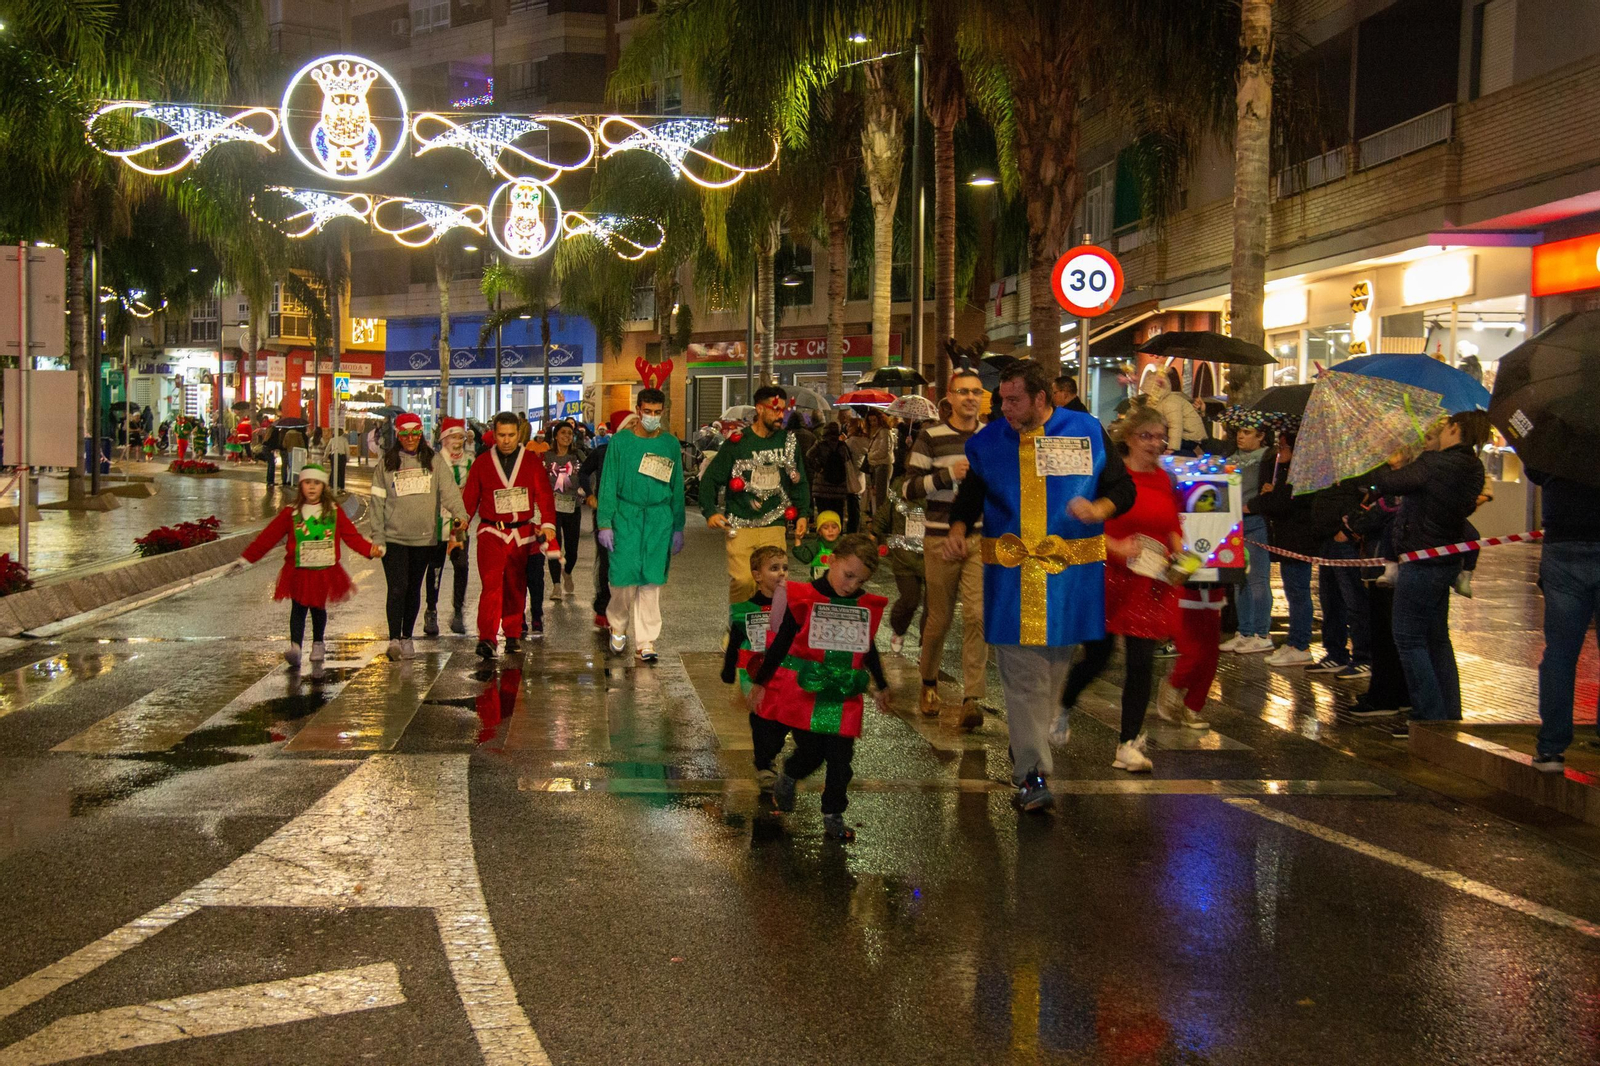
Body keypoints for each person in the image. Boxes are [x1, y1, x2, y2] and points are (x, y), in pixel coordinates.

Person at [944, 362, 1135, 811]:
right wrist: (957, 526)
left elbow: (1122, 489)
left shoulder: (1086, 430)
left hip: (1071, 583)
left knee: (1051, 678)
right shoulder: (989, 442)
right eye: (1002, 400)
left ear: (1042, 399)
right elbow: (973, 492)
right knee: (1025, 678)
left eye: (1013, 400)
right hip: (1012, 581)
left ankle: (1026, 746)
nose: (1003, 408)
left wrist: (1100, 508)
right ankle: (1031, 775)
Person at [1056, 405, 1200, 775]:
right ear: (1129, 438)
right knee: (1098, 658)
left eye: (1160, 436)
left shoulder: (1166, 480)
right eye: (1146, 436)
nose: (1154, 443)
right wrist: (1115, 547)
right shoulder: (1112, 477)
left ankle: (1128, 743)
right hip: (1108, 577)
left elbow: (1170, 523)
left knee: (1141, 663)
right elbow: (1085, 524)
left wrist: (1179, 551)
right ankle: (1063, 705)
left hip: (1150, 582)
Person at [747, 533, 891, 841]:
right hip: (806, 692)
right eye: (848, 575)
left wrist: (882, 684)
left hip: (844, 695)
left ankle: (833, 813)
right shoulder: (804, 597)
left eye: (860, 581)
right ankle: (790, 774)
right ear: (831, 560)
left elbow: (867, 647)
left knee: (841, 758)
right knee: (811, 753)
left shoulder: (861, 603)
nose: (851, 585)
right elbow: (783, 641)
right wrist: (761, 683)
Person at [1369, 410, 1490, 722]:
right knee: (1437, 639)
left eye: (1446, 427)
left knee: (1408, 639)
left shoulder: (1434, 464)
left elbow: (1388, 483)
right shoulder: (1473, 467)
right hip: (1448, 559)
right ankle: (1449, 714)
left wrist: (1380, 458)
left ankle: (1429, 716)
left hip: (1420, 560)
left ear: (1454, 429)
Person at [235, 463, 382, 669]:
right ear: (300, 486)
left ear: (324, 487)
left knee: (318, 607)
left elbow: (351, 537)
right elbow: (269, 537)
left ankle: (318, 642)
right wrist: (247, 558)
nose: (312, 488)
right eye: (307, 483)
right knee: (298, 608)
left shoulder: (333, 512)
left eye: (316, 483)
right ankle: (295, 647)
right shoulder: (291, 513)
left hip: (324, 570)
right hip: (298, 570)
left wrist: (369, 550)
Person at [905, 367, 988, 728]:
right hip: (939, 537)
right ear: (950, 398)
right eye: (963, 392)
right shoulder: (931, 436)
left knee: (977, 615)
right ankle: (928, 682)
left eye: (976, 391)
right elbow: (908, 489)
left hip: (982, 537)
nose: (970, 397)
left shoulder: (992, 437)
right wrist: (947, 475)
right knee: (938, 619)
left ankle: (973, 697)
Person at [369, 412, 469, 660]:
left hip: (424, 539)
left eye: (415, 433)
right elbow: (376, 503)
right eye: (405, 434)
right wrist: (378, 537)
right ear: (398, 435)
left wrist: (462, 514)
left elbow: (449, 491)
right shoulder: (387, 463)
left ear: (421, 435)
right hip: (393, 538)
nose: (411, 438)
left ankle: (407, 637)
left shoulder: (433, 461)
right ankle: (394, 638)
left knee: (413, 588)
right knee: (397, 588)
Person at [596, 389, 685, 663]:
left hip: (659, 518)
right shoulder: (620, 443)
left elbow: (677, 485)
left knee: (651, 582)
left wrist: (678, 524)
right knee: (622, 579)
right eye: (648, 411)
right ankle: (618, 626)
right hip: (626, 516)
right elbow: (608, 483)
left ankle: (646, 640)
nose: (653, 417)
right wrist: (605, 522)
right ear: (638, 409)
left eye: (658, 412)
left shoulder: (670, 444)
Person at [700, 384, 811, 603]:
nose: (781, 415)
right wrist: (710, 511)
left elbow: (799, 480)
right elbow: (711, 477)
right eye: (775, 409)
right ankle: (739, 630)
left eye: (783, 411)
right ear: (759, 409)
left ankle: (772, 633)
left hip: (775, 524)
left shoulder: (788, 442)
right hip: (741, 525)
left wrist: (803, 514)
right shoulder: (737, 444)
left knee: (775, 584)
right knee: (744, 581)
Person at [461, 411, 558, 660]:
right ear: (494, 434)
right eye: (501, 435)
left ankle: (513, 633)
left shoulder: (531, 462)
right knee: (491, 585)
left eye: (511, 435)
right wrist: (457, 529)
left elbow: (544, 495)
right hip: (491, 531)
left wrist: (547, 524)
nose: (506, 441)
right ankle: (487, 638)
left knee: (516, 586)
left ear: (519, 434)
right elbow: (469, 499)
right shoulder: (482, 463)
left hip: (522, 533)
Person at [1529, 469, 1600, 771]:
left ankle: (1551, 750)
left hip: (1563, 545)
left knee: (1559, 653)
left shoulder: (1558, 433)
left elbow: (1534, 471)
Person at [1253, 428, 1319, 667]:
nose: (1280, 453)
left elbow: (1285, 503)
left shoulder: (1302, 474)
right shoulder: (1284, 471)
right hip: (1287, 539)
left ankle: (1301, 643)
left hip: (1298, 540)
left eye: (1283, 448)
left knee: (1299, 593)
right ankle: (1293, 642)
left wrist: (1270, 497)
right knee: (1293, 592)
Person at [1221, 416, 1275, 654]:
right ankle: (1244, 631)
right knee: (1238, 581)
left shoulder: (1267, 457)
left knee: (1257, 580)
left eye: (1247, 432)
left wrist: (1259, 502)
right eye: (1239, 432)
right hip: (1233, 523)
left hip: (1254, 523)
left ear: (1261, 435)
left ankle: (1262, 633)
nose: (1241, 436)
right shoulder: (1231, 457)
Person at [423, 418, 475, 636]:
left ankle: (457, 612)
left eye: (460, 437)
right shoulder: (434, 462)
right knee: (435, 568)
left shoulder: (470, 461)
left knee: (461, 566)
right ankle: (431, 610)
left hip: (459, 523)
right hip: (437, 523)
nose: (457, 442)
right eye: (453, 437)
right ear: (443, 439)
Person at [579, 411, 629, 630]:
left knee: (626, 561)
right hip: (604, 513)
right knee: (606, 560)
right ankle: (602, 607)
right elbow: (583, 472)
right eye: (629, 426)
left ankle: (622, 608)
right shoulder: (602, 452)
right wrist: (590, 494)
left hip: (630, 515)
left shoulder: (639, 453)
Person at [723, 544, 789, 699]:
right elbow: (735, 641)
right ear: (757, 575)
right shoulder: (745, 610)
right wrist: (729, 668)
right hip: (752, 671)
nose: (782, 573)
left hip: (785, 670)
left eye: (785, 568)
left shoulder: (793, 606)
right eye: (774, 568)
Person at [869, 476, 926, 654]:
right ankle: (899, 630)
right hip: (903, 555)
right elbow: (886, 511)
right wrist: (873, 533)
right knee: (910, 599)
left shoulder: (944, 482)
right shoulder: (900, 483)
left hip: (934, 555)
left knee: (934, 608)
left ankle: (927, 647)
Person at [541, 421, 585, 603]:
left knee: (572, 550)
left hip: (572, 507)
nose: (567, 436)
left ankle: (567, 572)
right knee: (554, 546)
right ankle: (556, 585)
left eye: (570, 433)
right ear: (556, 436)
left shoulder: (578, 455)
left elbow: (588, 474)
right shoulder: (547, 456)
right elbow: (539, 479)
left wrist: (585, 492)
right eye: (563, 433)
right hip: (552, 508)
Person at [806, 423, 858, 532]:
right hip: (838, 488)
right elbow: (849, 463)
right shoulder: (843, 446)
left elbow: (809, 456)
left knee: (823, 515)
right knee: (837, 515)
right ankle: (836, 537)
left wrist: (819, 469)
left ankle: (822, 538)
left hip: (822, 487)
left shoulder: (820, 444)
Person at [1140, 369, 1205, 456]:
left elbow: (1175, 425)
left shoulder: (1171, 402)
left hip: (1188, 437)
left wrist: (1172, 448)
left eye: (1148, 394)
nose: (1147, 396)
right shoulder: (1159, 403)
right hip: (1182, 436)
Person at [792, 509, 845, 579]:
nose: (830, 530)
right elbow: (804, 557)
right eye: (825, 528)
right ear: (819, 531)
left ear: (839, 530)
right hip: (817, 581)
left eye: (834, 527)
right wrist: (797, 539)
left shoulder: (844, 544)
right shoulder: (816, 544)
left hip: (839, 582)